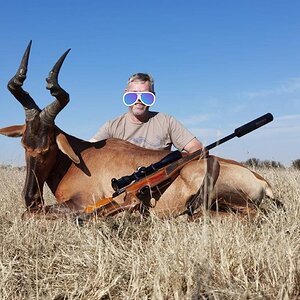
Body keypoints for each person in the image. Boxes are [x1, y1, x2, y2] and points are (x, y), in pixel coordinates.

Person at [90, 73, 203, 153]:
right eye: (133, 95)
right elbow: (88, 149)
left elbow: (196, 147)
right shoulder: (112, 126)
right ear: (125, 94)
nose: (139, 100)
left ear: (153, 96)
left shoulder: (166, 121)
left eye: (145, 96)